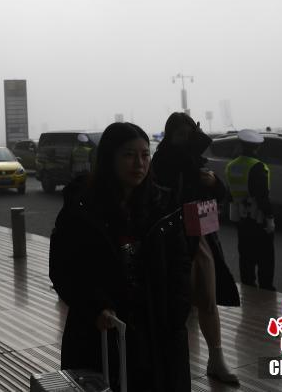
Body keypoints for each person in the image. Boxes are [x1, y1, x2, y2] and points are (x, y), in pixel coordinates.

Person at [49, 122, 191, 391]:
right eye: (128, 155)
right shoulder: (81, 208)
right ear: (109, 158)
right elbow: (63, 269)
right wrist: (95, 307)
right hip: (100, 333)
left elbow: (180, 266)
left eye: (145, 155)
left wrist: (175, 314)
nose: (139, 163)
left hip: (157, 332)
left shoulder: (163, 206)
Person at [151, 113, 240, 385]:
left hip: (200, 236)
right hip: (171, 238)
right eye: (180, 134)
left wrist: (213, 182)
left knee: (208, 300)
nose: (185, 140)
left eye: (189, 133)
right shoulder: (163, 160)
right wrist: (193, 145)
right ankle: (173, 363)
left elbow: (222, 194)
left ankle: (216, 357)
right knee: (174, 304)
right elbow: (174, 173)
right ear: (169, 135)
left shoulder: (195, 162)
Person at [226, 129, 275, 291]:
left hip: (240, 218)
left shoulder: (231, 166)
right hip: (258, 217)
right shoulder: (257, 166)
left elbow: (229, 193)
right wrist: (269, 218)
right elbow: (262, 196)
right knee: (265, 258)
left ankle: (248, 288)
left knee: (246, 256)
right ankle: (266, 290)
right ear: (257, 147)